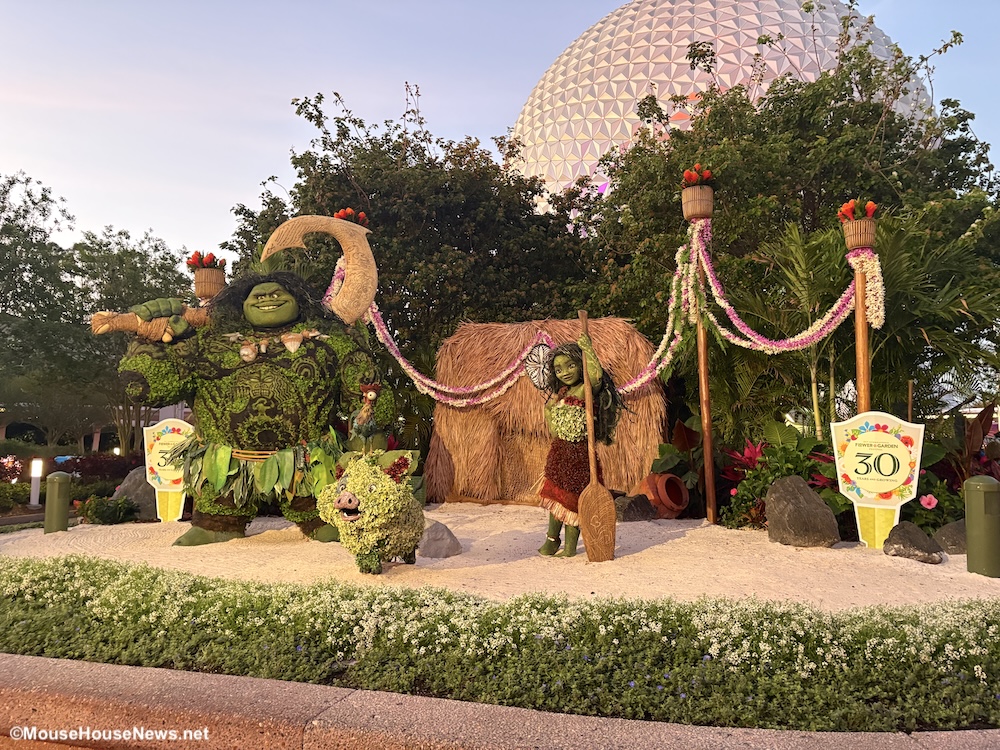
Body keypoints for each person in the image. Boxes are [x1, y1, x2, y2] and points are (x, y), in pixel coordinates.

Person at [538, 334, 621, 557]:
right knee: (555, 496)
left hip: (579, 455)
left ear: (579, 364)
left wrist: (588, 350)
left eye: (570, 365)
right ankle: (552, 540)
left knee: (573, 499)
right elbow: (555, 431)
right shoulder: (561, 395)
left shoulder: (585, 389)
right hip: (559, 452)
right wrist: (549, 413)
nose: (564, 372)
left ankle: (571, 546)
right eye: (558, 369)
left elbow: (595, 376)